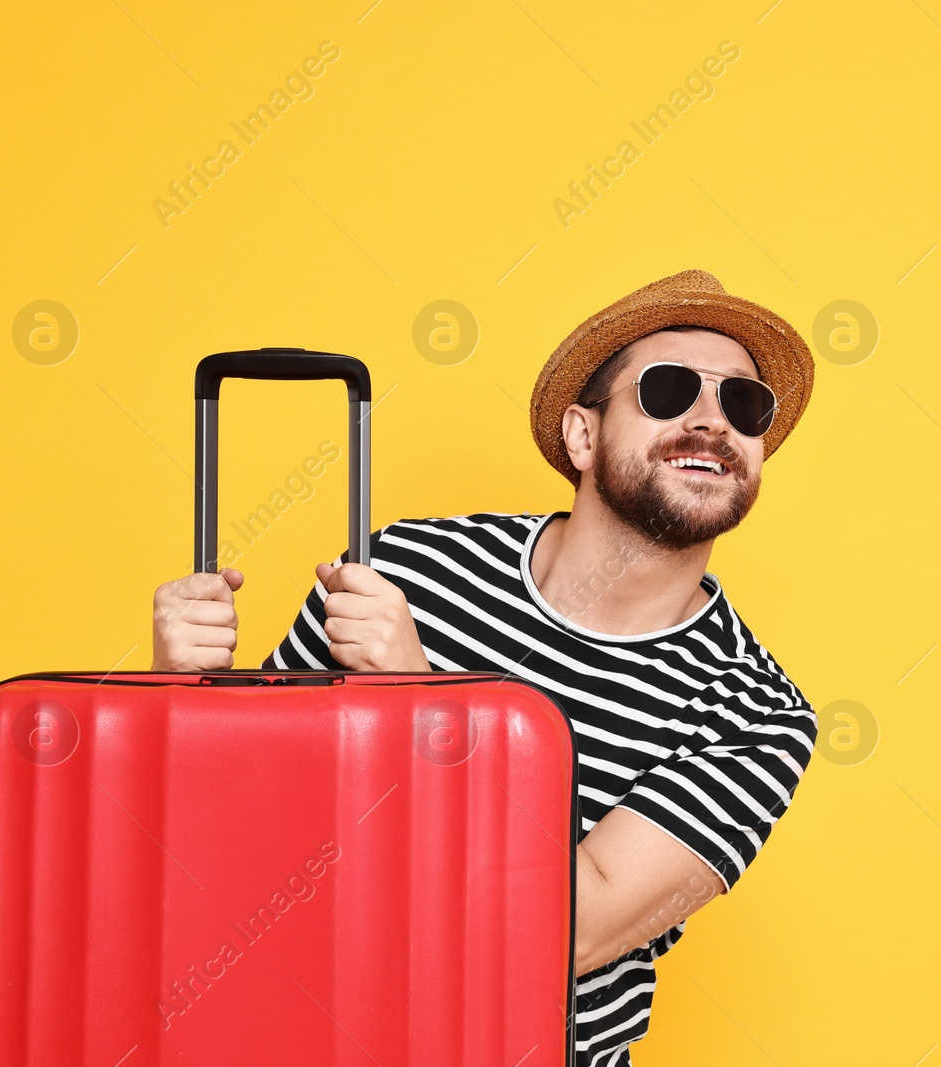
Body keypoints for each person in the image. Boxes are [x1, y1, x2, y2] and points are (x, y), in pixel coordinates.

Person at [150, 268, 818, 1065]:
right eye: (670, 390)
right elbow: (237, 822)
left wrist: (422, 700)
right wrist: (177, 695)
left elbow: (571, 931)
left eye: (744, 405)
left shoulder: (754, 714)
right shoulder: (412, 568)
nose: (712, 421)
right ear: (581, 434)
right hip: (299, 1035)